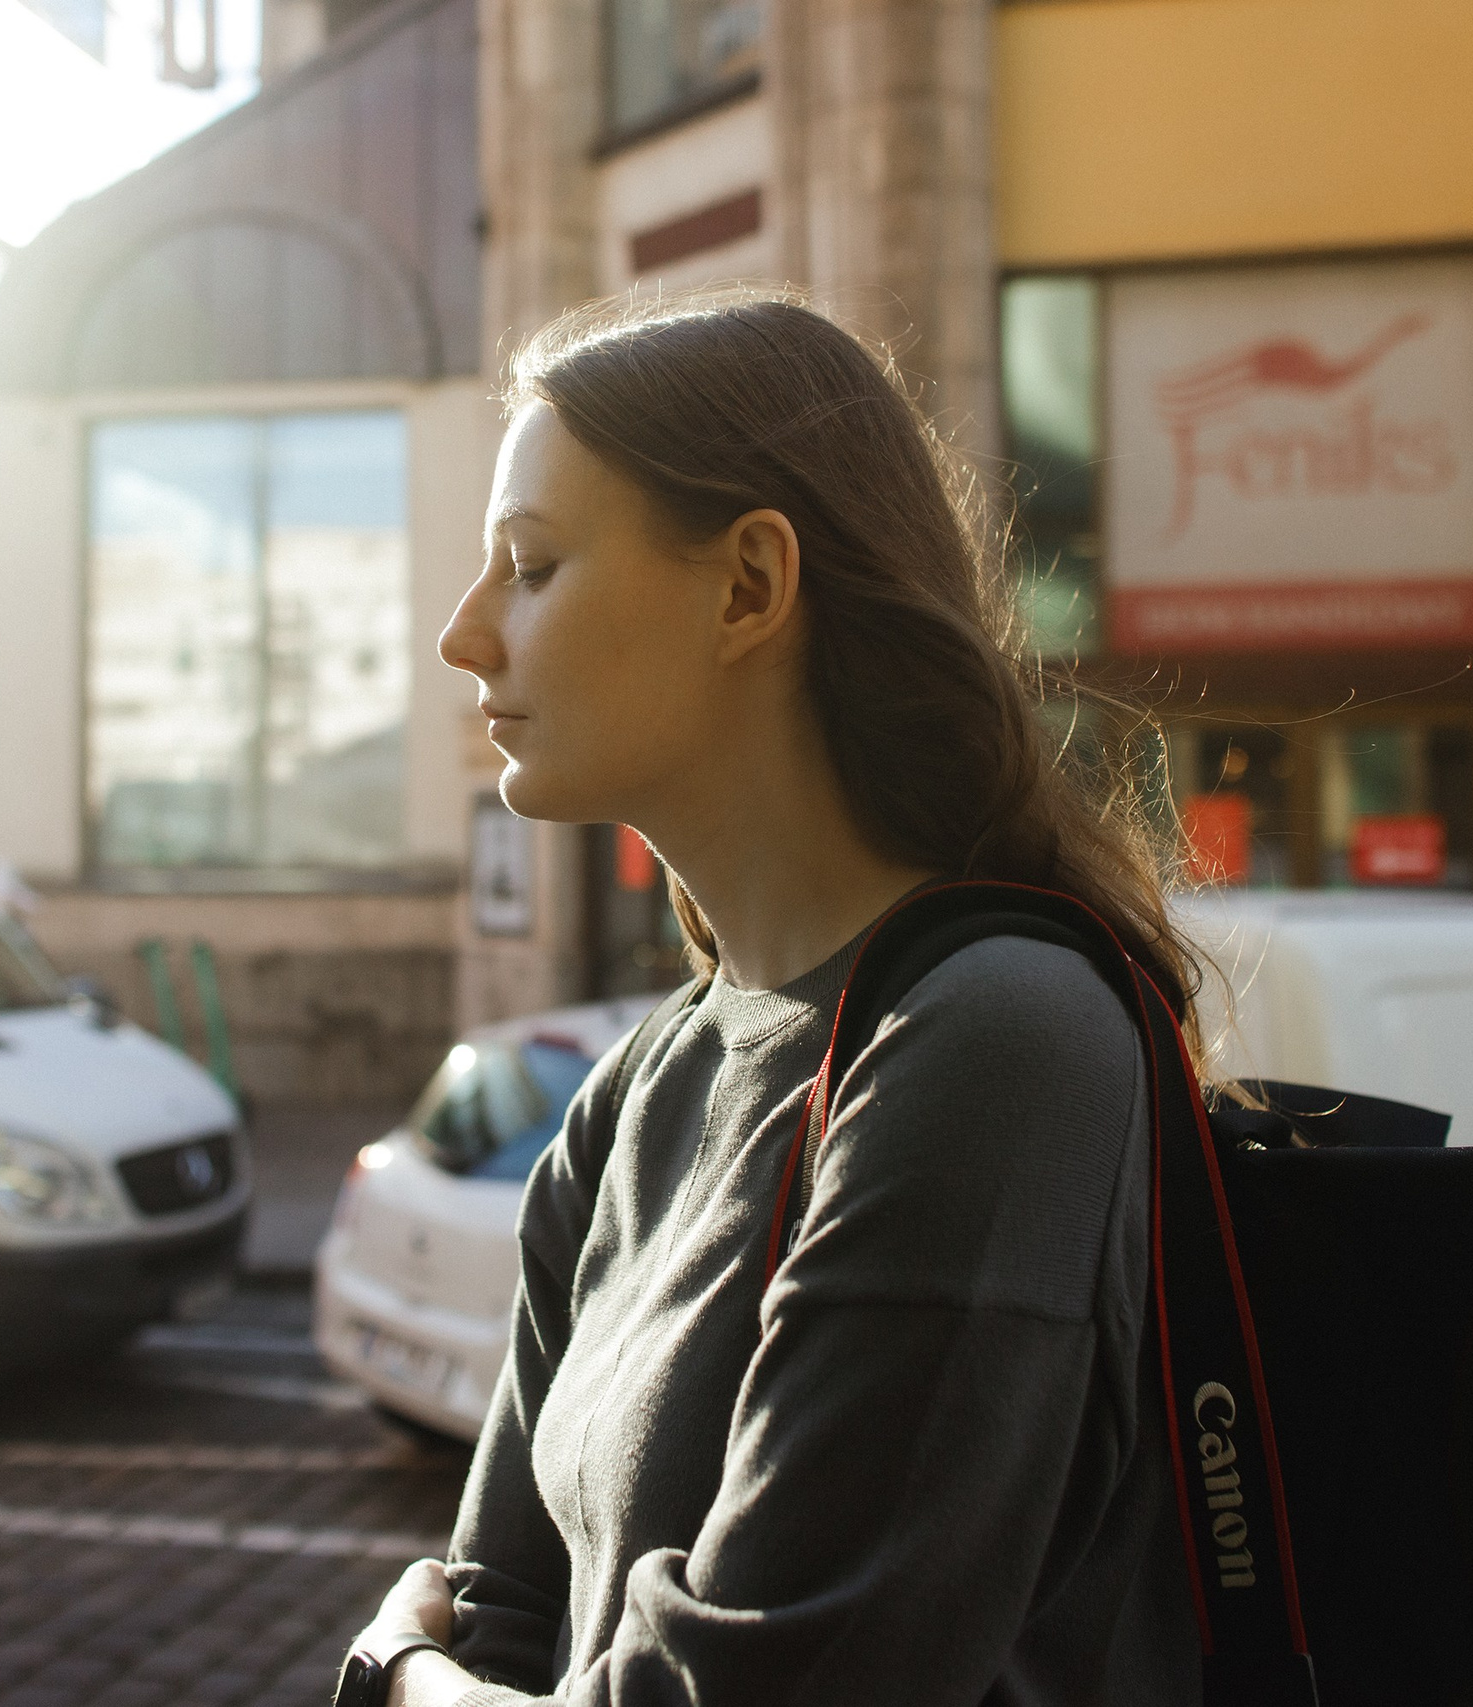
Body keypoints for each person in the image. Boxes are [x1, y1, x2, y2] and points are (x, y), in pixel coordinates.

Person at [339, 292, 1203, 1707]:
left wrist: (392, 1678)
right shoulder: (637, 1091)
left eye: (533, 564)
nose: (465, 636)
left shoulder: (993, 1042)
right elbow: (506, 1614)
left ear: (748, 586)